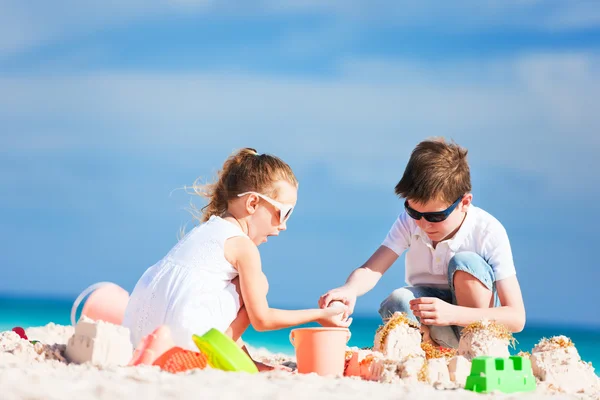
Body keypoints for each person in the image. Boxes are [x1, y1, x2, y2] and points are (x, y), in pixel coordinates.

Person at [123, 148, 349, 370]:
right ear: (252, 203)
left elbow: (212, 312)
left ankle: (238, 363)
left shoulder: (205, 232)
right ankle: (204, 359)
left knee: (244, 287)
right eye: (284, 212)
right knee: (259, 283)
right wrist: (323, 314)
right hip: (185, 348)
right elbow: (262, 320)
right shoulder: (243, 247)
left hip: (138, 339)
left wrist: (255, 365)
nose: (284, 225)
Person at [319, 138, 525, 348]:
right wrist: (349, 290)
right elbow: (372, 269)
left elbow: (517, 318)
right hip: (433, 323)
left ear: (464, 203)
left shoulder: (488, 231)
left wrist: (453, 314)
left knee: (466, 263)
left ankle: (473, 351)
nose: (424, 224)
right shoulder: (410, 223)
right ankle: (428, 353)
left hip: (477, 325)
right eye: (414, 212)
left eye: (435, 217)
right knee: (399, 300)